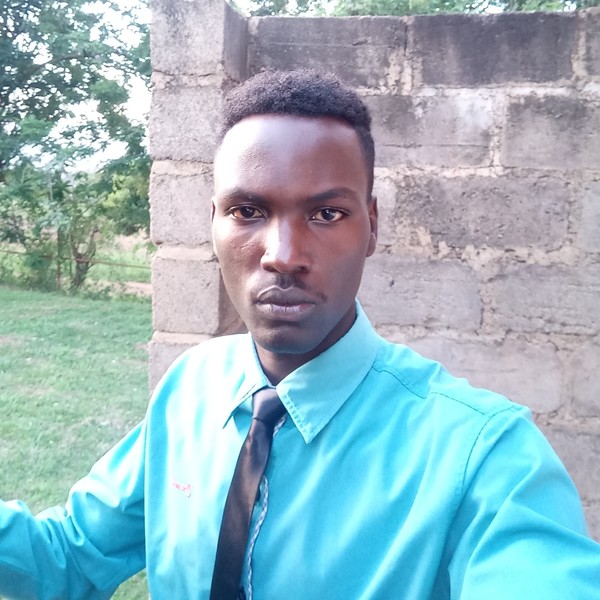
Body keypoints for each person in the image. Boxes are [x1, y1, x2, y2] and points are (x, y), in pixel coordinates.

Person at [1, 69, 599, 599]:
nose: (283, 255)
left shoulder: (485, 457)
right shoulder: (192, 388)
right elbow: (69, 557)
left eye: (326, 214)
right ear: (213, 223)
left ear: (371, 226)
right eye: (247, 211)